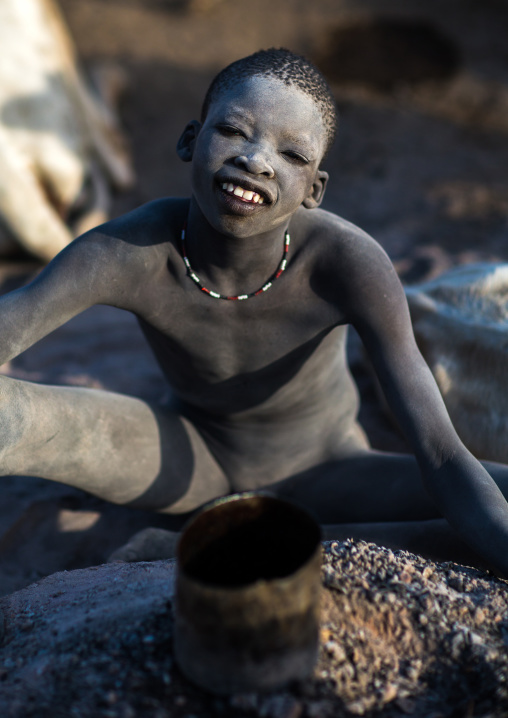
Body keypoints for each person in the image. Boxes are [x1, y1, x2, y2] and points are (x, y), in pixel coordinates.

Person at [2, 48, 508, 575]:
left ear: (315, 189)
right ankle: (252, 536)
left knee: (489, 506)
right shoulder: (127, 251)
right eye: (235, 131)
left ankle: (205, 543)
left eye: (292, 156)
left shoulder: (348, 265)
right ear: (190, 141)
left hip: (328, 465)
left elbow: (443, 456)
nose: (257, 160)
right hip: (179, 453)